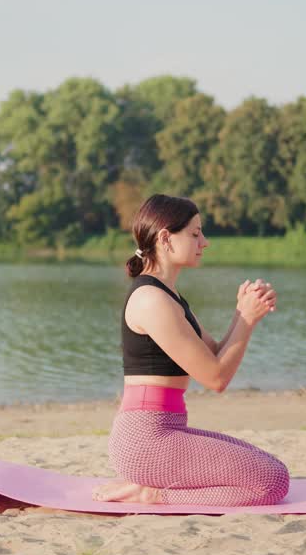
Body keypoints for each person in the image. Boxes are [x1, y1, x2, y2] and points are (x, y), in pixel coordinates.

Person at [92, 194, 290, 506]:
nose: (205, 242)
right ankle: (153, 493)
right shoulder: (151, 300)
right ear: (165, 239)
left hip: (166, 431)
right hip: (147, 441)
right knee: (272, 483)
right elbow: (216, 378)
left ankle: (153, 488)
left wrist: (242, 312)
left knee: (269, 465)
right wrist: (247, 321)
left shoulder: (168, 296)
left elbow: (213, 354)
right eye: (195, 234)